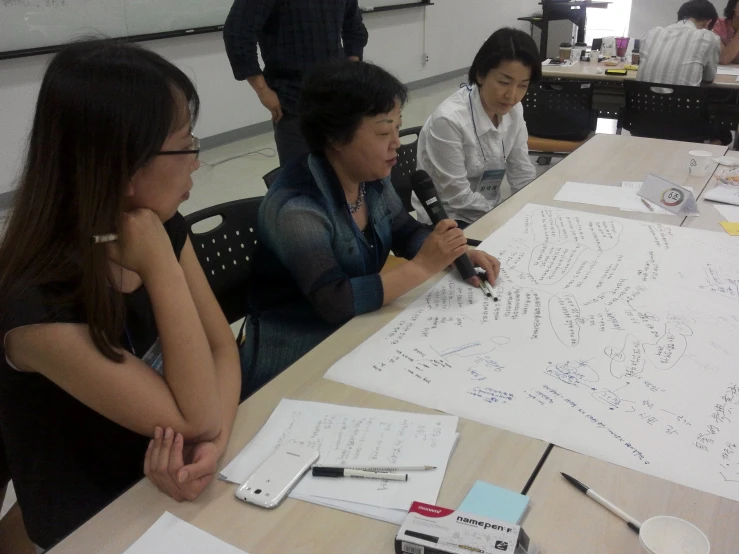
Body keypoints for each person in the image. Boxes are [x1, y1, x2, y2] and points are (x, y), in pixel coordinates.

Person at [0, 40, 241, 550]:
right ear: (125, 166)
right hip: (95, 522)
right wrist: (159, 265)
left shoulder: (160, 226)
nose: (197, 161)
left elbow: (223, 349)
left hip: (161, 487)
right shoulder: (36, 305)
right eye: (185, 144)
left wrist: (213, 445)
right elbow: (195, 414)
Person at [239, 60, 501, 397]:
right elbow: (334, 301)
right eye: (382, 132)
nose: (397, 143)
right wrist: (423, 266)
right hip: (295, 356)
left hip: (357, 332)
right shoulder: (297, 208)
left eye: (398, 128)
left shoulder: (368, 177)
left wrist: (454, 252)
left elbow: (405, 231)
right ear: (336, 137)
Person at [411, 28, 540, 229]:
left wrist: (533, 208)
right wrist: (503, 217)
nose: (512, 95)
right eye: (504, 82)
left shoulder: (514, 111)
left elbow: (522, 172)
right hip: (449, 220)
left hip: (488, 211)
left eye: (523, 85)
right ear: (480, 75)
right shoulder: (449, 120)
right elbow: (457, 196)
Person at [223, 0, 369, 166]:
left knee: (342, 171)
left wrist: (352, 68)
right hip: (292, 99)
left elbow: (354, 26)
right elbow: (237, 32)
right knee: (300, 178)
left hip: (337, 95)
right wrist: (262, 90)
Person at [637, 0, 720, 87]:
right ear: (708, 23)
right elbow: (708, 79)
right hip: (684, 99)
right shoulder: (708, 37)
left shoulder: (651, 34)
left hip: (642, 99)